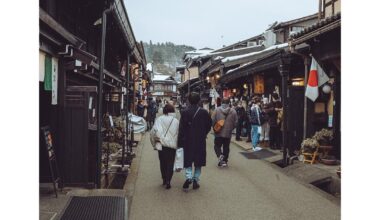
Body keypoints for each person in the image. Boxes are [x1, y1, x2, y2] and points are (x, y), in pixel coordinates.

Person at [178, 92, 212, 191]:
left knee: (188, 160)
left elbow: (181, 128)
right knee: (198, 160)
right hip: (200, 140)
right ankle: (196, 180)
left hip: (187, 140)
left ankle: (188, 177)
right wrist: (203, 133)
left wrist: (180, 141)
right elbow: (209, 125)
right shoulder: (204, 112)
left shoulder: (184, 112)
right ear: (199, 100)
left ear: (188, 100)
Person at [150, 104, 179, 189]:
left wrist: (154, 142)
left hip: (161, 144)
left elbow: (154, 131)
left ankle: (164, 179)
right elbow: (178, 133)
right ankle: (168, 181)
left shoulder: (159, 119)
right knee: (170, 163)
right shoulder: (176, 121)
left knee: (163, 163)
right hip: (172, 145)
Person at [212, 98, 238, 167]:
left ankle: (220, 155)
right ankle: (224, 161)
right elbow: (236, 123)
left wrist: (215, 127)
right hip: (228, 132)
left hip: (218, 132)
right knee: (226, 147)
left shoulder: (217, 110)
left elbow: (213, 120)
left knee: (217, 146)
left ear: (221, 102)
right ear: (229, 103)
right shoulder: (233, 111)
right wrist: (231, 128)